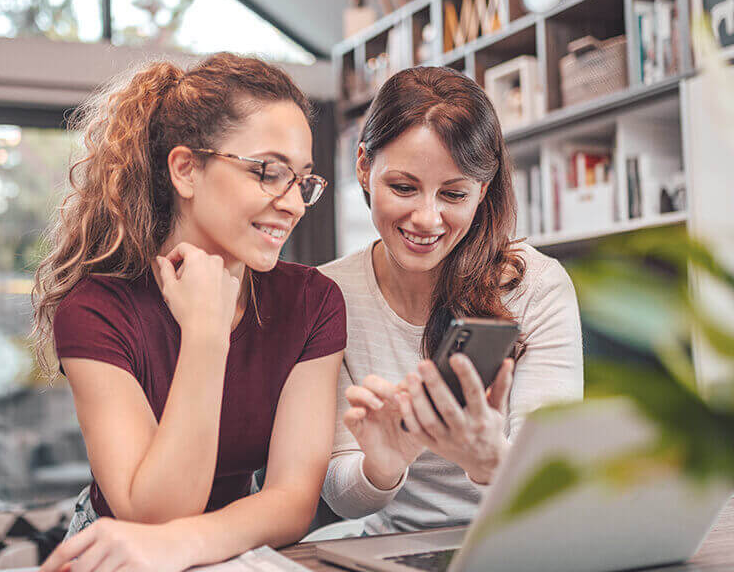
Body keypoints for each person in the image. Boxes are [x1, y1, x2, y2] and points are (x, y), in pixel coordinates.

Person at [32, 53, 346, 571]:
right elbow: (153, 519)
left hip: (234, 550)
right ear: (186, 169)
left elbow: (292, 500)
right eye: (269, 172)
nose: (292, 203)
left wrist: (197, 543)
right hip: (123, 555)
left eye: (303, 180)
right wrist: (205, 335)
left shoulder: (312, 303)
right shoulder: (96, 309)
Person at [319, 66, 584, 534]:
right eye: (403, 187)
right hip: (391, 550)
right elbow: (342, 498)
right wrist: (382, 465)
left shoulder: (536, 286)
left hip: (518, 543)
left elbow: (554, 487)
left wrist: (489, 459)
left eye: (453, 194)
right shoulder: (328, 296)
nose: (427, 218)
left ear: (482, 190)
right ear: (363, 166)